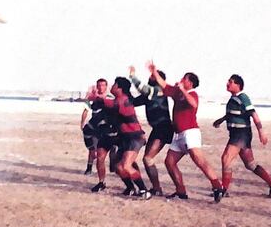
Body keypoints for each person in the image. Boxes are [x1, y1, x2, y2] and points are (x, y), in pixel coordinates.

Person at [148, 62, 224, 202]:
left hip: (190, 133)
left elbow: (193, 104)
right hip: (178, 135)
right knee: (169, 162)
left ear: (190, 82)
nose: (182, 80)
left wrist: (182, 90)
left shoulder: (192, 94)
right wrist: (154, 72)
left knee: (199, 160)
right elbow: (163, 84)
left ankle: (217, 186)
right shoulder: (176, 92)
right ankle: (180, 190)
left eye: (184, 79)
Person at [213, 74, 271, 198]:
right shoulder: (233, 99)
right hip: (236, 134)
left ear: (238, 85)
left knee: (226, 159)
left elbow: (254, 115)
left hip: (241, 134)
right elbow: (232, 114)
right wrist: (221, 120)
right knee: (250, 165)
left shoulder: (243, 97)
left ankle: (223, 189)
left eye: (231, 82)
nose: (228, 83)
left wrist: (261, 131)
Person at [91, 77, 151, 199]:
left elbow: (111, 104)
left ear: (119, 88)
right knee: (119, 167)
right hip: (125, 138)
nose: (112, 86)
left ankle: (144, 190)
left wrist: (97, 97)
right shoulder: (120, 100)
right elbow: (104, 106)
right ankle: (130, 188)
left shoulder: (123, 100)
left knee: (126, 166)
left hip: (134, 137)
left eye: (114, 85)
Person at [129, 65, 172, 196]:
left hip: (163, 128)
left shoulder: (159, 90)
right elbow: (132, 102)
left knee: (148, 159)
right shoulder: (150, 94)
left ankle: (158, 188)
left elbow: (143, 89)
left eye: (153, 75)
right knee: (147, 160)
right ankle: (156, 188)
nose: (149, 77)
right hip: (157, 129)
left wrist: (132, 76)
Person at [86, 79, 120, 193]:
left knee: (122, 164)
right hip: (103, 135)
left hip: (114, 134)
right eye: (98, 85)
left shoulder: (110, 98)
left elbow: (113, 108)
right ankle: (101, 182)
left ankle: (132, 185)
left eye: (103, 85)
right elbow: (93, 116)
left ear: (106, 86)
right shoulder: (95, 102)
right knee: (100, 159)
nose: (100, 87)